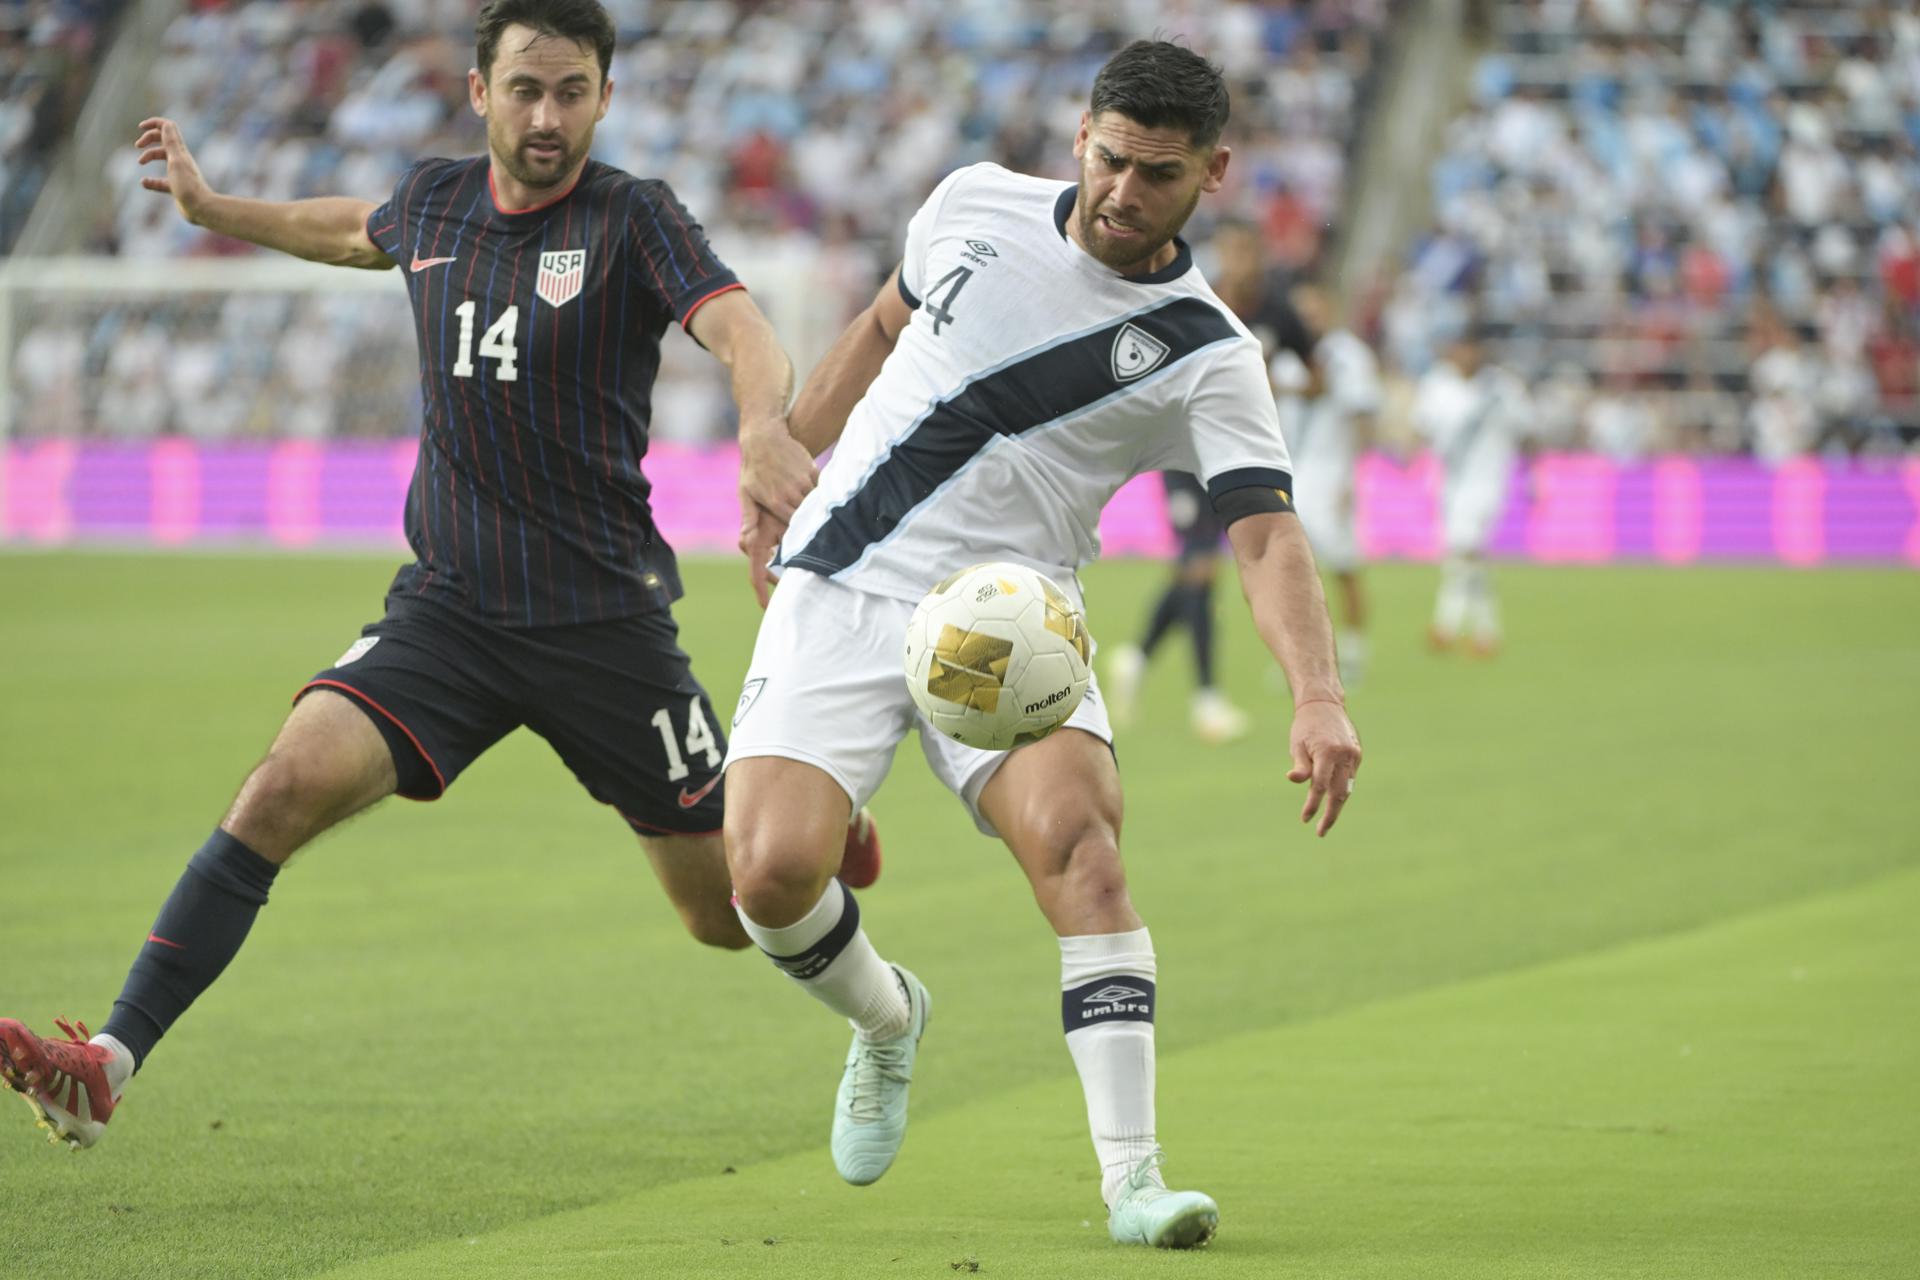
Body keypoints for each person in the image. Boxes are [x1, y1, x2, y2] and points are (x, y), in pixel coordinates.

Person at [0, 0, 879, 1152]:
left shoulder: (634, 218)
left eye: (572, 91)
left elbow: (743, 329)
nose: (548, 115)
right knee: (277, 787)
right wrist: (215, 209)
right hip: (450, 613)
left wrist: (762, 423)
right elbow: (344, 230)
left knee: (724, 912)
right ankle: (106, 1063)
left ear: (605, 97)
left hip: (603, 625)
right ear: (479, 92)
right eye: (525, 89)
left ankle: (839, 866)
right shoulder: (432, 203)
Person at [723, 41, 1362, 1250]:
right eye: (1111, 159)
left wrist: (1317, 691)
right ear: (1080, 136)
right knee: (765, 872)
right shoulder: (972, 201)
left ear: (1214, 173)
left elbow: (1267, 534)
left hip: (1008, 625)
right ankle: (886, 1017)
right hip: (844, 581)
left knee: (1085, 850)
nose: (1124, 191)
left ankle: (1134, 1179)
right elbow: (877, 325)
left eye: (1159, 174)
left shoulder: (1210, 353)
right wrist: (783, 471)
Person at [1103, 222, 1319, 741]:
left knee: (1198, 570)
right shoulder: (1197, 300)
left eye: (1246, 250)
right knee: (1200, 567)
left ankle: (1138, 657)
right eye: (1229, 250)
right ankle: (1207, 700)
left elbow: (1318, 377)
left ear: (1259, 254)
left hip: (1237, 455)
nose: (1237, 260)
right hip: (1184, 452)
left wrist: (1277, 387)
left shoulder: (1277, 312)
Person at [1282, 280, 1381, 686]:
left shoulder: (1348, 356)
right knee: (1291, 569)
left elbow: (1362, 416)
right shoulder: (1284, 355)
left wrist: (1352, 477)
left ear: (1329, 309)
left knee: (1342, 562)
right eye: (1301, 312)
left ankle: (1354, 648)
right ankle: (1300, 658)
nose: (1308, 319)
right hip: (1290, 468)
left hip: (1330, 470)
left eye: (1314, 310)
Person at [1410, 332, 1533, 655]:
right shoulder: (1437, 385)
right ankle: (1486, 633)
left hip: (1489, 482)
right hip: (1451, 482)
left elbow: (1525, 430)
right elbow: (1422, 427)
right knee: (1468, 556)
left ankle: (1445, 626)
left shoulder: (1501, 388)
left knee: (1463, 548)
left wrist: (1535, 474)